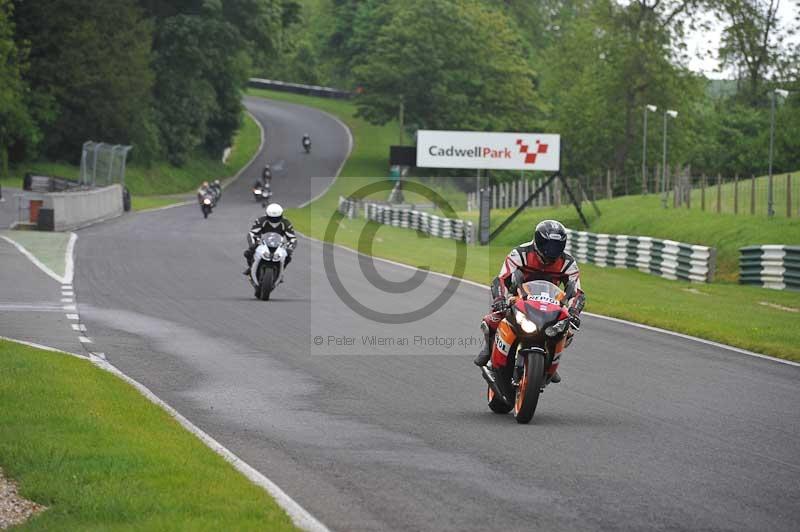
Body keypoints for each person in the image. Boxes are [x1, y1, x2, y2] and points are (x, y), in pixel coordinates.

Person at [474, 220, 585, 383]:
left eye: (556, 246)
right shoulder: (520, 253)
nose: (551, 250)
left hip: (551, 303)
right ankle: (489, 350)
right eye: (548, 245)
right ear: (538, 241)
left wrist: (574, 311)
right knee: (494, 319)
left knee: (566, 330)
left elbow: (578, 292)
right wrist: (499, 298)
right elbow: (500, 279)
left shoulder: (568, 263)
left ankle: (550, 364)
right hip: (517, 297)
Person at [243, 203, 297, 276]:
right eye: (272, 218)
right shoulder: (261, 220)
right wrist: (252, 244)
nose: (274, 220)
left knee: (288, 257)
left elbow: (292, 238)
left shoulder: (286, 223)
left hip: (279, 243)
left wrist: (290, 248)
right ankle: (250, 267)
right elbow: (252, 233)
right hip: (263, 242)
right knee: (248, 253)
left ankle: (280, 272)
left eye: (277, 218)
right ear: (267, 215)